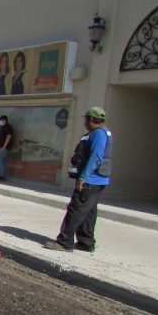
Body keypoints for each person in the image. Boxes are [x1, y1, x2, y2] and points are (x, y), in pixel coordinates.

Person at [45, 107, 112, 252]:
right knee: (88, 211)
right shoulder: (101, 132)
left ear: (92, 120)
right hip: (97, 181)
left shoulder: (98, 134)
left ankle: (64, 242)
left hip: (90, 181)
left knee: (76, 209)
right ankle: (86, 242)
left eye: (86, 119)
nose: (85, 122)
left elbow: (96, 157)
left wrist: (83, 177)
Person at [0, 115, 14, 181]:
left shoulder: (8, 127)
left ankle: (1, 176)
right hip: (1, 147)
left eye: (0, 120)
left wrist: (4, 146)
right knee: (2, 162)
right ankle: (2, 176)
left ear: (4, 120)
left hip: (3, 148)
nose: (0, 121)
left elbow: (9, 137)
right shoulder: (3, 127)